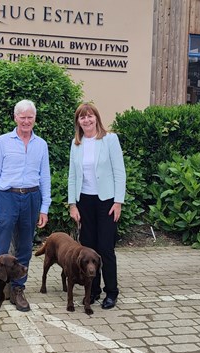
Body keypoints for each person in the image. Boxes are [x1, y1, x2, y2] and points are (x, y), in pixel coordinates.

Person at [0, 99, 51, 312]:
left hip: (32, 198)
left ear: (35, 119)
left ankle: (17, 289)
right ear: (15, 118)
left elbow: (45, 178)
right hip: (7, 196)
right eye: (22, 117)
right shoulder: (3, 141)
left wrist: (45, 207)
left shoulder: (41, 144)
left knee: (25, 245)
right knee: (0, 245)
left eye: (30, 117)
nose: (26, 121)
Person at [67, 102, 126, 310]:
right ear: (78, 122)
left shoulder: (110, 140)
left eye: (90, 116)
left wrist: (118, 201)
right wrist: (72, 204)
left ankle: (111, 292)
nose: (87, 120)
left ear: (96, 118)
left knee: (105, 248)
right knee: (88, 248)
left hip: (106, 202)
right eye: (82, 117)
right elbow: (72, 176)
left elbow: (119, 172)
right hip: (84, 201)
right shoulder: (76, 144)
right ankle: (93, 291)